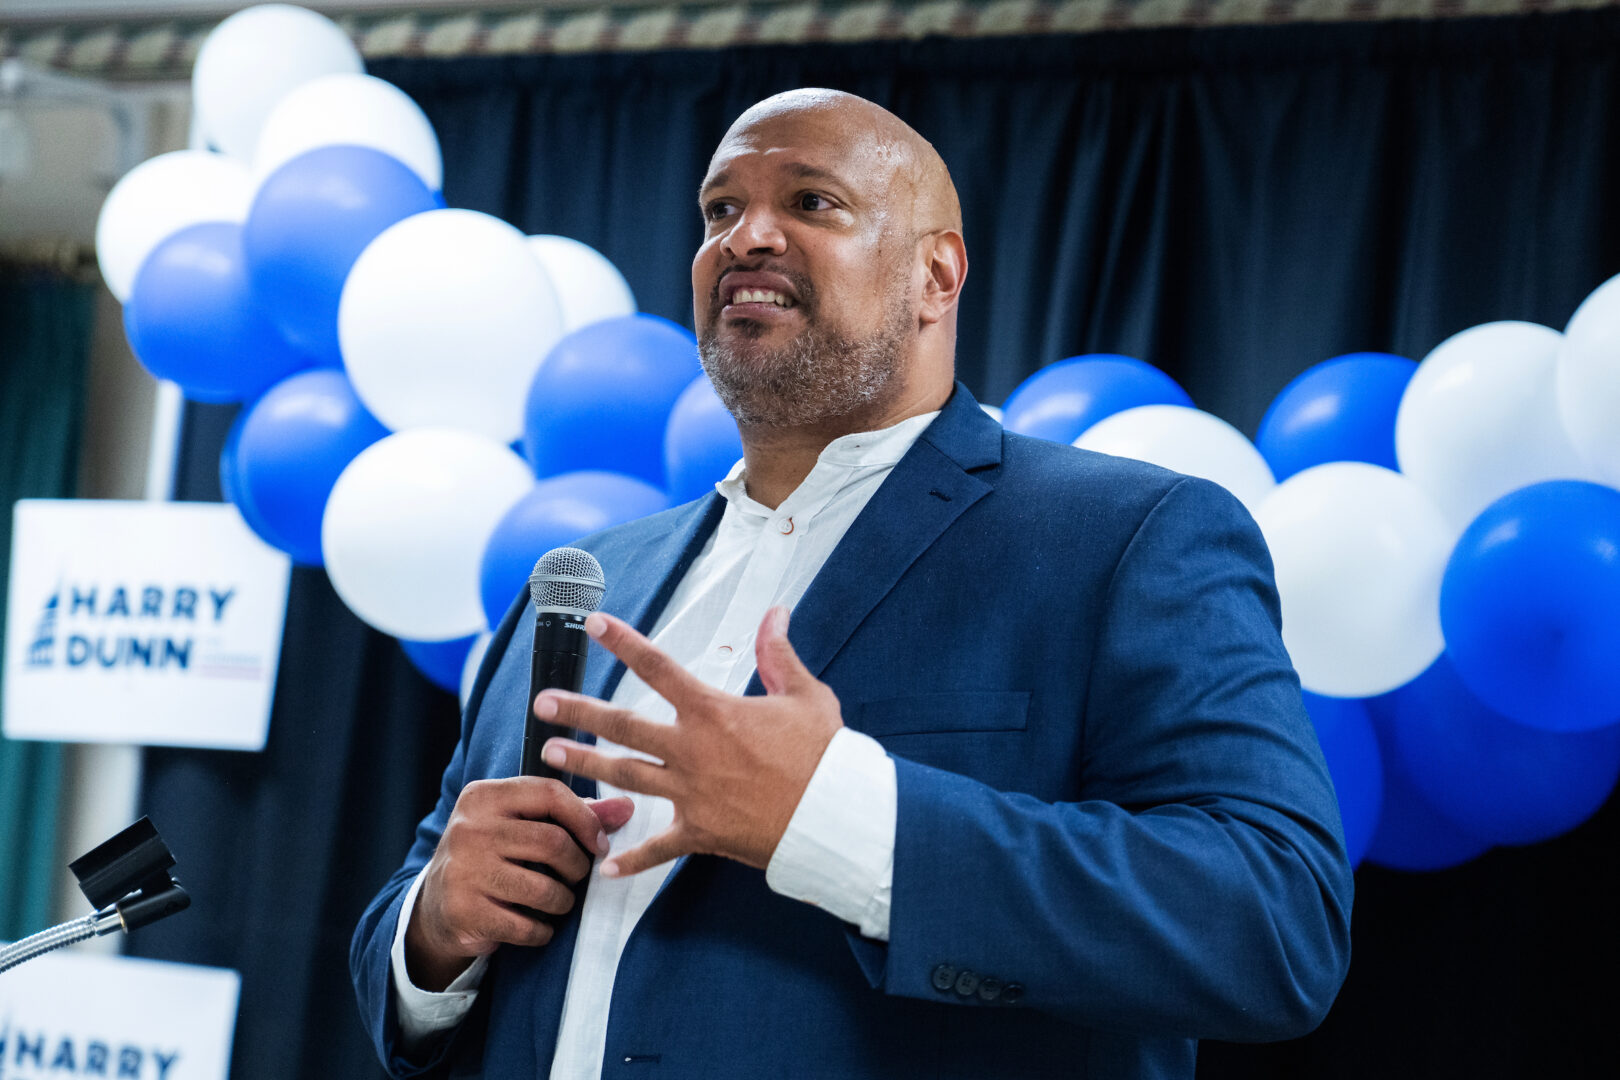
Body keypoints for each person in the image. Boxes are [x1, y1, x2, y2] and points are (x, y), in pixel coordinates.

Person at [352, 89, 1353, 1080]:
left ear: (935, 274)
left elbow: (1273, 923)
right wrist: (432, 931)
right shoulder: (585, 584)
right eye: (718, 210)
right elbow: (421, 924)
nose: (745, 238)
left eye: (811, 202)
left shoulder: (1125, 538)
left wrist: (837, 813)